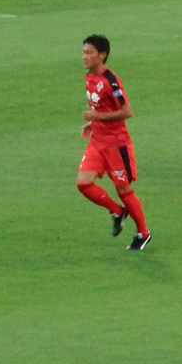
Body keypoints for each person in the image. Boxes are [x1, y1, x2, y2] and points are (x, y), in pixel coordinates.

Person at [76, 35, 151, 251]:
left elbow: (127, 111)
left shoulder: (111, 81)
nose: (84, 57)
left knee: (124, 189)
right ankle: (117, 211)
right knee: (83, 183)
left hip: (116, 145)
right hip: (97, 142)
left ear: (102, 55)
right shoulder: (89, 78)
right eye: (83, 52)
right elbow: (100, 108)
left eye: (89, 52)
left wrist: (97, 117)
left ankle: (143, 234)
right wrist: (93, 123)